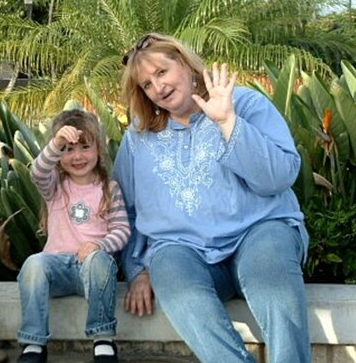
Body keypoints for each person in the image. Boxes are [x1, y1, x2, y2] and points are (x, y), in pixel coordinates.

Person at [113, 33, 311, 363]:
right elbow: (126, 208)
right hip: (184, 249)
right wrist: (137, 269)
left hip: (259, 231)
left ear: (185, 63)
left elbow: (281, 175)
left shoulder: (244, 104)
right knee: (169, 269)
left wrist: (228, 123)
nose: (158, 87)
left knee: (270, 275)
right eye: (147, 84)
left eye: (162, 72)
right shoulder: (138, 136)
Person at [17, 109, 130, 363]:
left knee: (100, 260)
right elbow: (37, 171)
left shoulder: (109, 189)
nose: (77, 156)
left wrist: (98, 245)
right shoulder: (55, 185)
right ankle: (33, 345)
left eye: (85, 147)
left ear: (99, 149)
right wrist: (55, 143)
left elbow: (122, 231)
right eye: (67, 149)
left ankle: (102, 340)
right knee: (34, 263)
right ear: (59, 156)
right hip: (56, 269)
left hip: (93, 271)